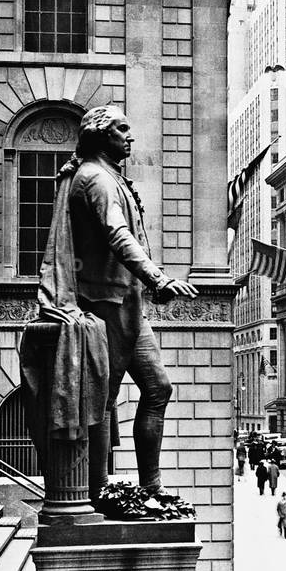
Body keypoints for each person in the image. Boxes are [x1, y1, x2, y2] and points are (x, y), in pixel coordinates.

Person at [61, 106, 197, 502]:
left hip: (127, 302)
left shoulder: (110, 177)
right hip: (106, 302)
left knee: (158, 388)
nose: (129, 136)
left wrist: (150, 284)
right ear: (101, 135)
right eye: (122, 129)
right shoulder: (95, 178)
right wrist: (157, 278)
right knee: (103, 399)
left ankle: (150, 484)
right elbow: (118, 235)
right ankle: (99, 486)